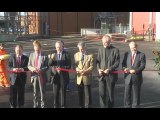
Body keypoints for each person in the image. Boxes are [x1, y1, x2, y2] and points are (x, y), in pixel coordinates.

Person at [96, 35, 120, 108]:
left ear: (109, 42)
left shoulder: (115, 50)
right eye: (103, 42)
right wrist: (98, 69)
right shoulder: (100, 49)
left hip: (111, 76)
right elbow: (97, 61)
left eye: (105, 43)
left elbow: (117, 62)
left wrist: (109, 69)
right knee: (101, 94)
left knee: (110, 95)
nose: (103, 44)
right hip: (101, 75)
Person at [122, 41, 146, 108]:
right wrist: (124, 69)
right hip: (128, 77)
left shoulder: (142, 55)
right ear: (129, 48)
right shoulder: (126, 54)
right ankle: (127, 106)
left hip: (137, 78)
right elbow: (123, 64)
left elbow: (142, 66)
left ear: (137, 46)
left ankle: (135, 106)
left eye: (134, 47)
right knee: (127, 94)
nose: (133, 49)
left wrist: (135, 70)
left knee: (136, 95)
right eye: (132, 48)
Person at [48, 41, 71, 108]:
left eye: (60, 46)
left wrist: (61, 68)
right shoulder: (53, 54)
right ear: (55, 47)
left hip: (63, 76)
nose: (59, 48)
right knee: (55, 93)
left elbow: (69, 66)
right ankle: (56, 105)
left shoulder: (67, 54)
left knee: (63, 93)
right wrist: (51, 58)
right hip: (55, 76)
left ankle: (63, 106)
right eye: (57, 47)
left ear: (62, 46)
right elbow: (49, 64)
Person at [28, 40, 48, 108]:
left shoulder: (44, 55)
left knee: (43, 92)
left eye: (38, 50)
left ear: (40, 48)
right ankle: (35, 105)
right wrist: (32, 69)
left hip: (42, 76)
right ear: (34, 49)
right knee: (35, 92)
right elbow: (29, 65)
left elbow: (47, 66)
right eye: (36, 50)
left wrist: (41, 70)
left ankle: (43, 106)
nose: (37, 51)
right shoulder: (31, 55)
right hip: (34, 76)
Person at [74, 41, 93, 108]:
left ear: (85, 47)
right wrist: (78, 70)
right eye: (79, 49)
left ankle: (88, 105)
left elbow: (92, 66)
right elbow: (75, 66)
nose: (81, 50)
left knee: (87, 93)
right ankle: (81, 105)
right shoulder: (76, 55)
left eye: (82, 49)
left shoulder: (90, 55)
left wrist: (85, 71)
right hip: (79, 77)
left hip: (86, 76)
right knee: (80, 93)